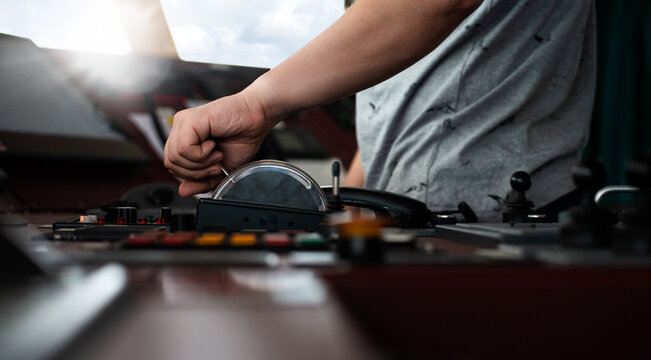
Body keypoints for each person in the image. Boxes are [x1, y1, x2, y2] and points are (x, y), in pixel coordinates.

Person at [164, 0, 595, 221]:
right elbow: (402, 88)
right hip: (407, 214)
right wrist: (347, 203)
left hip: (498, 224)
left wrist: (256, 105)